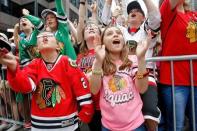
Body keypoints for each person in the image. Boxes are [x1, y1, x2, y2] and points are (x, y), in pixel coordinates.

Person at [0, 31, 94, 131]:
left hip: (67, 126)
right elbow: (26, 87)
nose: (44, 36)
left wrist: (85, 113)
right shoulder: (34, 64)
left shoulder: (67, 62)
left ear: (58, 46)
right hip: (39, 126)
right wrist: (14, 69)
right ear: (37, 49)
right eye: (40, 37)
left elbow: (81, 88)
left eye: (49, 35)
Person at [102, 0, 161, 130]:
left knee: (150, 112)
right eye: (130, 12)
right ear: (127, 18)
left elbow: (156, 19)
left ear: (143, 17)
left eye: (137, 11)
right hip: (123, 75)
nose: (133, 12)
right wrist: (108, 2)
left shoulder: (146, 30)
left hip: (146, 74)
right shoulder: (121, 32)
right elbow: (105, 23)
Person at [89, 26, 152, 131]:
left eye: (118, 33)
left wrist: (141, 59)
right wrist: (98, 61)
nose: (115, 34)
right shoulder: (99, 62)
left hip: (135, 125)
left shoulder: (132, 60)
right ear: (103, 43)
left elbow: (142, 89)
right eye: (109, 34)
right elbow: (94, 90)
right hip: (108, 127)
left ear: (123, 41)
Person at [159, 0, 197, 130]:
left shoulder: (194, 15)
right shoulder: (166, 11)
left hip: (195, 79)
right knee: (177, 126)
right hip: (175, 81)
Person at [76, 1, 102, 131]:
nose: (90, 28)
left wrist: (94, 13)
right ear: (83, 36)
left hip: (103, 102)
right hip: (88, 102)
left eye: (94, 28)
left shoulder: (103, 50)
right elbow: (81, 24)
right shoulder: (79, 56)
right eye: (87, 29)